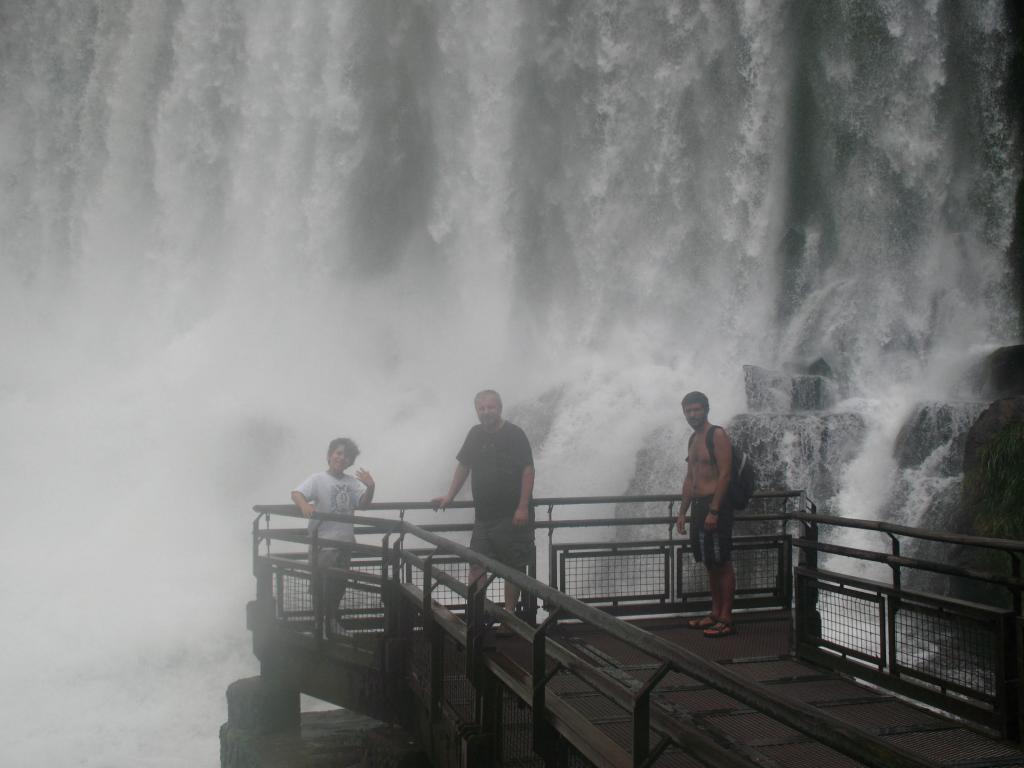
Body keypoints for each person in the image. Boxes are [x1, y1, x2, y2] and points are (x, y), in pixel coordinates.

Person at [432, 390, 535, 625]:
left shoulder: (514, 434)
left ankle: (509, 616)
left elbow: (528, 470)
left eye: (491, 407)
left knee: (512, 567)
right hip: (484, 516)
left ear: (500, 408)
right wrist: (450, 496)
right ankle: (477, 614)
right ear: (477, 410)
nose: (486, 412)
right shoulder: (475, 434)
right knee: (476, 563)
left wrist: (522, 507)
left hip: (511, 516)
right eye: (482, 408)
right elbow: (463, 466)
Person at [291, 437, 375, 627]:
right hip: (322, 542)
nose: (341, 458)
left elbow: (364, 504)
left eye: (346, 456)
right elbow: (296, 493)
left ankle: (330, 621)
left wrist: (371, 487)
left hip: (344, 542)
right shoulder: (318, 479)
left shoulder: (352, 482)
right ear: (329, 456)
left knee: (338, 584)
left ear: (350, 461)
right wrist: (304, 505)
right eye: (338, 453)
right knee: (322, 584)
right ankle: (322, 623)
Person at [675, 391, 737, 638]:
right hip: (699, 507)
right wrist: (682, 512)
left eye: (697, 409)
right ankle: (714, 613)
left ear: (706, 409)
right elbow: (690, 478)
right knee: (710, 563)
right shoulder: (692, 439)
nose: (693, 414)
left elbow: (725, 475)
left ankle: (727, 618)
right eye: (688, 411)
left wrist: (715, 510)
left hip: (715, 507)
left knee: (722, 562)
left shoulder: (717, 435)